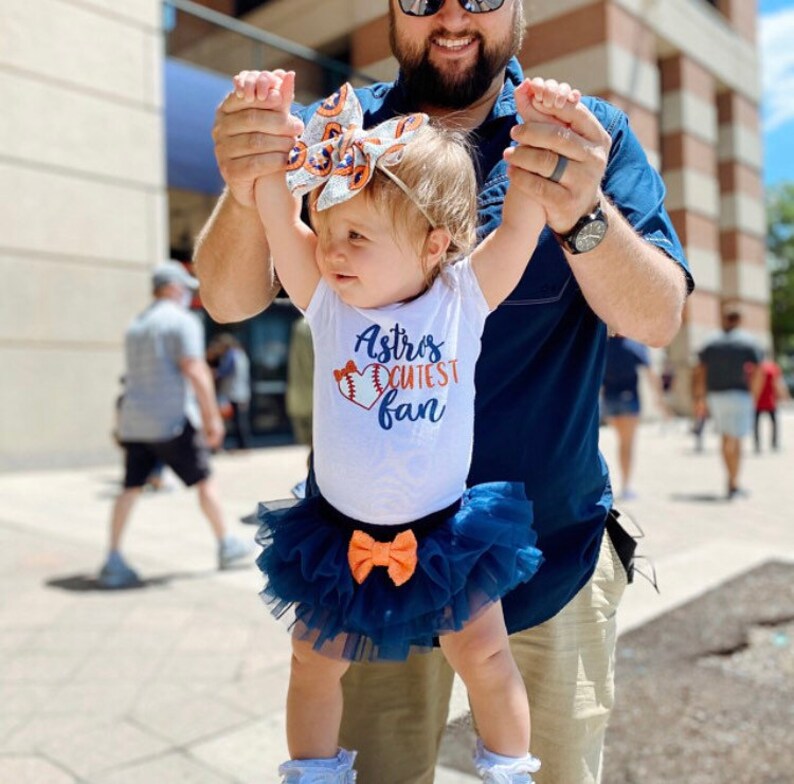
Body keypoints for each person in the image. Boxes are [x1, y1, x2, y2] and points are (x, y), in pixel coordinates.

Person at [195, 2, 692, 781]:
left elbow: (658, 317)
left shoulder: (577, 136)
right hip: (362, 563)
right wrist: (249, 180)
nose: (453, 14)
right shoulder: (343, 135)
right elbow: (228, 300)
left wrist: (581, 212)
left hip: (547, 560)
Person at [246, 70, 575, 782]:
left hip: (446, 535)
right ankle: (313, 773)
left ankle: (510, 768)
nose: (331, 252)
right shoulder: (328, 302)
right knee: (312, 662)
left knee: (485, 656)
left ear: (433, 245)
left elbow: (520, 220)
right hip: (339, 535)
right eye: (328, 231)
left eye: (356, 235)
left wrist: (534, 134)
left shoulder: (464, 297)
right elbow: (279, 219)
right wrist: (269, 121)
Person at [97, 261, 253, 588]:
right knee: (205, 480)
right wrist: (212, 420)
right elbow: (196, 371)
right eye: (183, 288)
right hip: (172, 421)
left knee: (130, 487)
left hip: (135, 422)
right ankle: (226, 545)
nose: (187, 294)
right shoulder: (182, 321)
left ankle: (112, 558)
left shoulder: (136, 325)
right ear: (171, 287)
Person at [692, 303, 763, 499]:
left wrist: (699, 397)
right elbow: (759, 371)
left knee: (724, 438)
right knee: (737, 440)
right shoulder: (749, 341)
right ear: (739, 320)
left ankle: (729, 480)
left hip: (716, 395)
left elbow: (700, 371)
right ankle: (734, 482)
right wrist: (753, 395)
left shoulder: (711, 342)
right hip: (740, 395)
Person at [601, 335, 662, 500]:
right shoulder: (634, 345)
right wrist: (659, 399)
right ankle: (626, 487)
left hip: (609, 398)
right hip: (629, 398)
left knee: (619, 442)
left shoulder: (602, 345)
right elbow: (650, 372)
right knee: (626, 444)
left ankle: (613, 484)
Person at [213, 333, 253, 450]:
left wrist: (214, 373)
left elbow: (225, 371)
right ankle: (243, 445)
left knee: (239, 422)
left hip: (235, 393)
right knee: (241, 421)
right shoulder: (241, 354)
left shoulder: (231, 355)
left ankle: (242, 446)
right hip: (242, 392)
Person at [751, 352, 790, 452]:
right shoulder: (772, 368)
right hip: (770, 400)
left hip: (757, 400)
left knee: (756, 424)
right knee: (774, 423)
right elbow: (777, 383)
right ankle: (774, 443)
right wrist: (784, 396)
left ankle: (757, 444)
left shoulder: (753, 368)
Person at [286, 316, 315, 449]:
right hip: (317, 396)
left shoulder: (299, 327)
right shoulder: (316, 323)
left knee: (311, 447)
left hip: (297, 396)